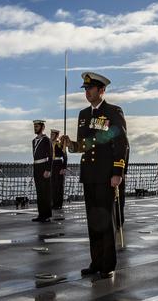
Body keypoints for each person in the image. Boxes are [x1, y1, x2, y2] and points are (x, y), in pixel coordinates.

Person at [61, 71, 128, 279]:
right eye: (85, 89)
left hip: (106, 174)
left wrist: (118, 171)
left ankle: (108, 265)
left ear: (101, 90)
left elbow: (121, 144)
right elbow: (85, 145)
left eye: (90, 89)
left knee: (106, 221)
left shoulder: (113, 112)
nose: (87, 92)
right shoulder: (83, 115)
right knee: (93, 221)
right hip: (89, 174)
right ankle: (96, 261)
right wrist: (70, 144)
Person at [32, 120, 53, 222]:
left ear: (42, 127)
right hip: (36, 167)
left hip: (44, 166)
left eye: (37, 126)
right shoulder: (34, 141)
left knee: (45, 192)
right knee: (39, 192)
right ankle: (41, 214)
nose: (35, 128)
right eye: (34, 126)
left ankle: (47, 215)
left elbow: (50, 155)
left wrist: (48, 169)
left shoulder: (46, 140)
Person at [50, 129, 68, 210]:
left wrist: (64, 168)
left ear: (57, 135)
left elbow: (65, 156)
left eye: (53, 134)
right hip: (51, 164)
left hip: (58, 164)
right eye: (51, 134)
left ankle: (58, 204)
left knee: (59, 185)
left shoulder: (60, 143)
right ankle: (53, 203)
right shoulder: (49, 143)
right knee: (52, 185)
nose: (51, 136)